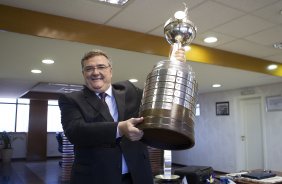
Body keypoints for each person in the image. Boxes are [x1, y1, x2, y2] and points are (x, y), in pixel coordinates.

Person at [58, 48, 186, 184]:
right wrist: (119, 128)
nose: (95, 72)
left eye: (101, 67)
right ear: (83, 73)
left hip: (137, 175)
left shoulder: (130, 91)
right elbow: (75, 132)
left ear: (110, 71)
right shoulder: (71, 99)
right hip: (94, 177)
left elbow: (157, 96)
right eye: (89, 69)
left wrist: (174, 68)